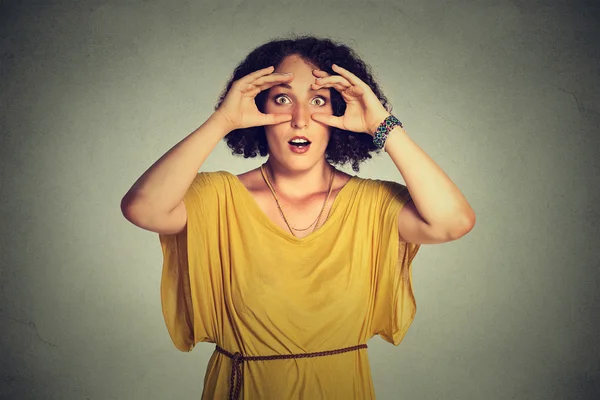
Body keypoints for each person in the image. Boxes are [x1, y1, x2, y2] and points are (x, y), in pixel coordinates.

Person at [121, 35, 475, 400]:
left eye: (318, 101)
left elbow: (453, 222)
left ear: (339, 112)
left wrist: (381, 125)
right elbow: (143, 208)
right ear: (258, 109)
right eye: (283, 99)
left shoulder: (372, 204)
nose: (300, 119)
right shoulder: (218, 198)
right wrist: (222, 120)